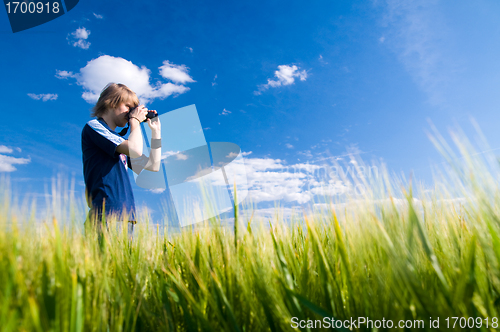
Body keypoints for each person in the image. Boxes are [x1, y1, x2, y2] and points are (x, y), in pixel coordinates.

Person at [81, 83, 161, 237]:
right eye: (128, 107)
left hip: (125, 216)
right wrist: (134, 122)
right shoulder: (94, 127)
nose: (130, 113)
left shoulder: (118, 141)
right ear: (111, 102)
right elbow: (136, 150)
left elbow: (153, 165)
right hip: (107, 212)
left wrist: (156, 132)